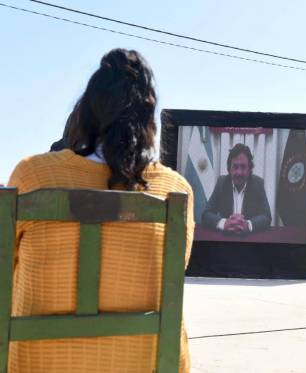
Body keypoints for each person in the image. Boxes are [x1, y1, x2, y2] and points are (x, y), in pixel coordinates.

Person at [7, 48, 194, 373]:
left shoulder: (32, 176)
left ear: (84, 114)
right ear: (148, 123)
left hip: (37, 363)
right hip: (144, 363)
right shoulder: (174, 189)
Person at [201, 143, 271, 234]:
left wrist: (248, 225)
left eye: (243, 167)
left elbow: (266, 216)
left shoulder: (258, 184)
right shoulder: (221, 183)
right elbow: (206, 214)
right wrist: (224, 223)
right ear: (229, 169)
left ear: (250, 169)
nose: (239, 172)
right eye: (235, 167)